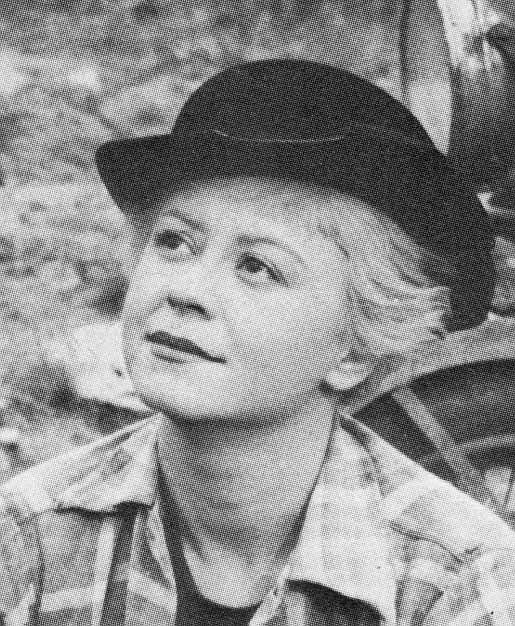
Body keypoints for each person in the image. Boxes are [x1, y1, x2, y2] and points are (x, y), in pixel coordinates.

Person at [1, 59, 514, 626]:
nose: (186, 291)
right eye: (173, 242)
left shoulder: (456, 583)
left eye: (257, 267)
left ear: (354, 348)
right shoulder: (29, 536)